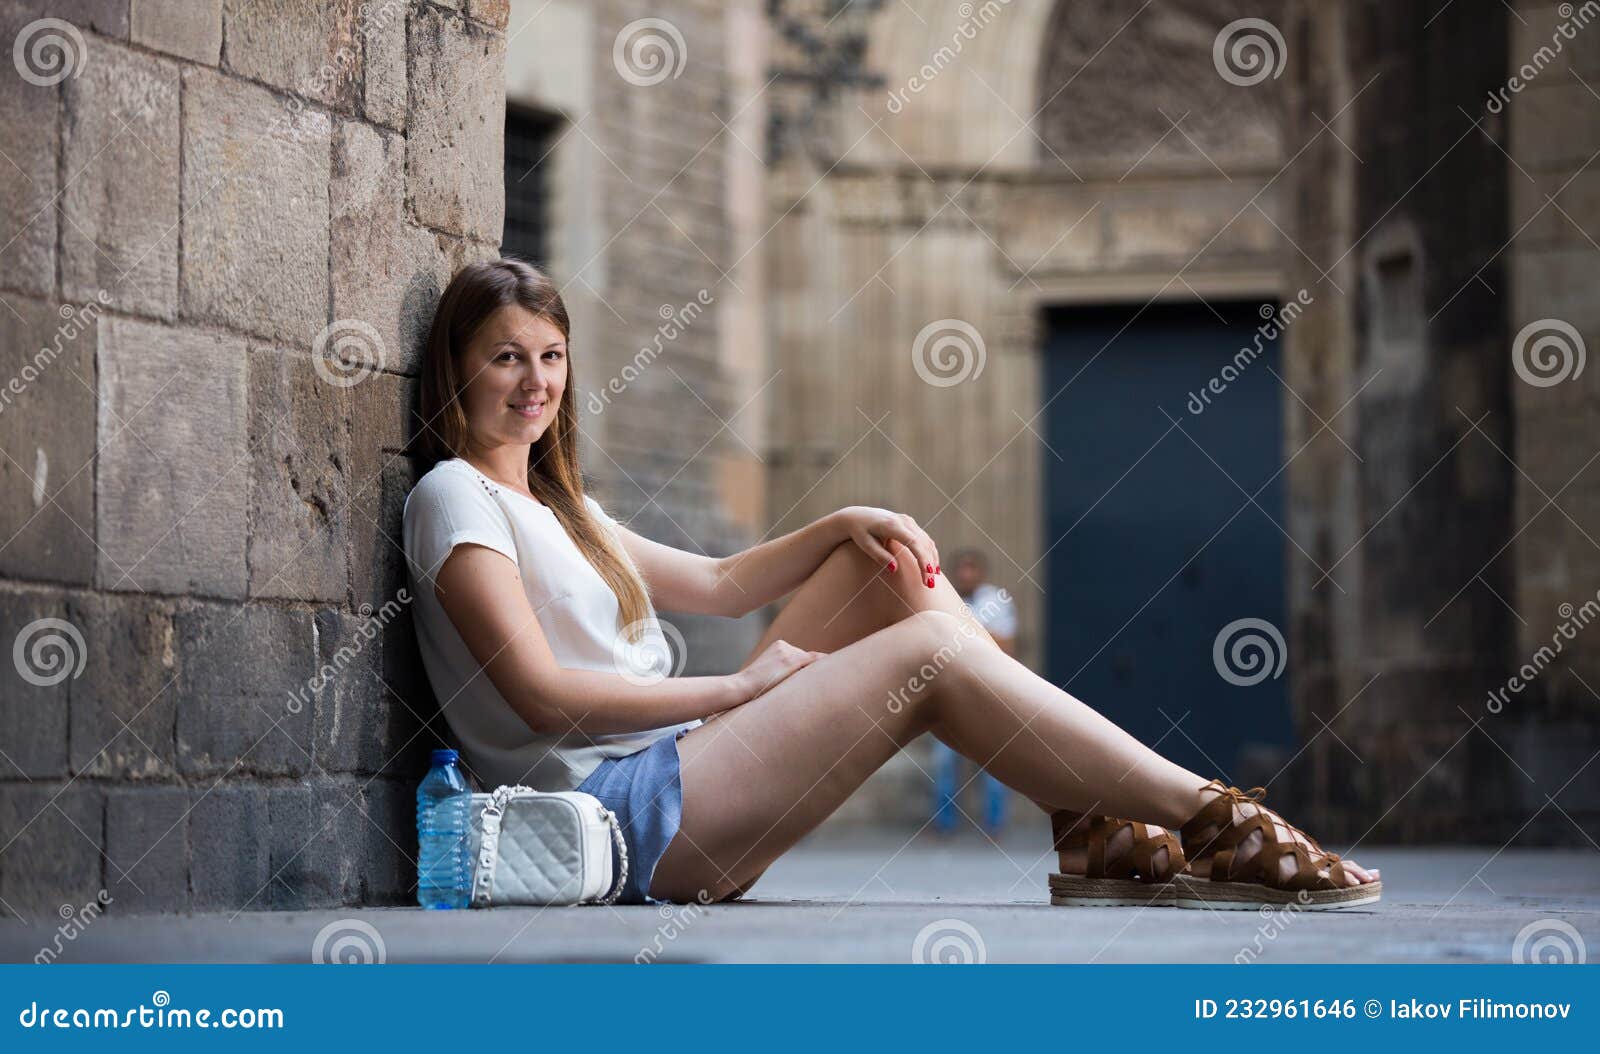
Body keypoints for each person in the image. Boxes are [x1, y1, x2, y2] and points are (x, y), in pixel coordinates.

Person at [401, 259, 1381, 909]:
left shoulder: (565, 505)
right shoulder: (454, 499)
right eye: (506, 359)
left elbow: (722, 582)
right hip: (619, 816)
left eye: (552, 357)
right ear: (459, 368)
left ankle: (1092, 824)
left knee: (883, 570)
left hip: (680, 777)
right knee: (933, 654)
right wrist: (737, 691)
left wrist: (845, 520)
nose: (535, 382)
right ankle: (1217, 818)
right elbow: (540, 694)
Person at [930, 549, 1015, 835]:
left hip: (989, 692)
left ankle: (994, 825)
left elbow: (1003, 646)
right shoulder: (944, 599)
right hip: (950, 692)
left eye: (972, 569)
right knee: (944, 761)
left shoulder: (996, 601)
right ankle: (945, 824)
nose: (967, 575)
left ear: (981, 572)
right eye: (962, 570)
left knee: (994, 761)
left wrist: (962, 641)